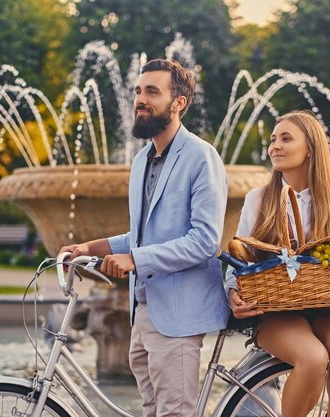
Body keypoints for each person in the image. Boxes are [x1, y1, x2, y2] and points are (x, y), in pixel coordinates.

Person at [60, 58, 230, 417]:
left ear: (178, 102)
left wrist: (135, 259)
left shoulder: (201, 157)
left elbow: (203, 241)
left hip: (179, 313)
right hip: (143, 311)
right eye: (138, 90)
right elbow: (140, 236)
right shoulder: (141, 161)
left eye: (152, 91)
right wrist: (90, 247)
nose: (140, 98)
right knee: (152, 411)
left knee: (174, 413)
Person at [225, 110, 330, 417]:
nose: (275, 147)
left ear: (310, 148)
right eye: (273, 139)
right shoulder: (258, 200)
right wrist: (233, 294)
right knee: (313, 358)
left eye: (286, 139)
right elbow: (237, 262)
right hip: (278, 309)